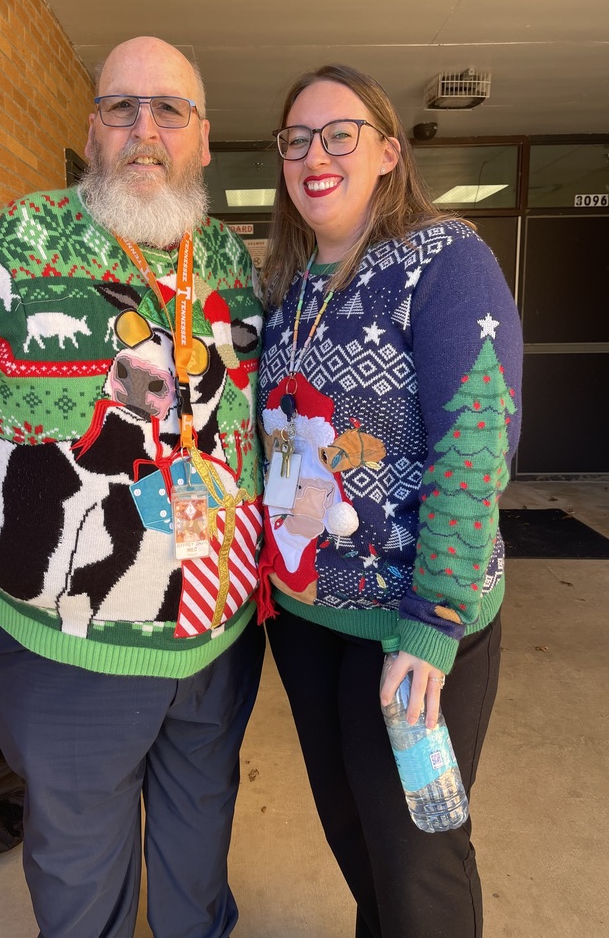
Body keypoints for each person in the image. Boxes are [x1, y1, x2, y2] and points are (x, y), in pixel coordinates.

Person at [0, 36, 265, 938]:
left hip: (216, 640)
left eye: (169, 110)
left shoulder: (229, 263)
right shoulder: (18, 243)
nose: (145, 131)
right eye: (120, 109)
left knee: (196, 844)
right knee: (82, 869)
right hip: (70, 650)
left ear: (204, 139)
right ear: (92, 130)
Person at [256, 64, 523, 938]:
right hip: (306, 621)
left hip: (412, 626)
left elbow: (476, 446)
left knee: (418, 870)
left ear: (388, 154)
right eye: (296, 139)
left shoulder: (447, 260)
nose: (314, 155)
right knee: (356, 843)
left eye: (340, 134)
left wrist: (433, 617)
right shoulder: (287, 288)